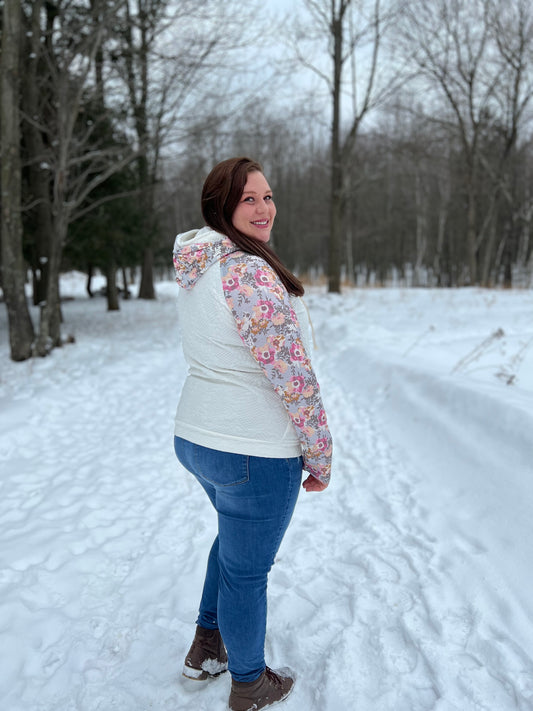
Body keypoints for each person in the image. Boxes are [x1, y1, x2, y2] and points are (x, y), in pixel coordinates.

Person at [172, 157, 332, 711]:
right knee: (248, 571)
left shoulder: (201, 262)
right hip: (252, 447)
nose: (264, 209)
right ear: (223, 206)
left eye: (268, 196)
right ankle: (249, 684)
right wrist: (320, 452)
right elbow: (291, 373)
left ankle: (206, 647)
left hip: (199, 438)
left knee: (233, 541)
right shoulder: (245, 270)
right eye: (249, 199)